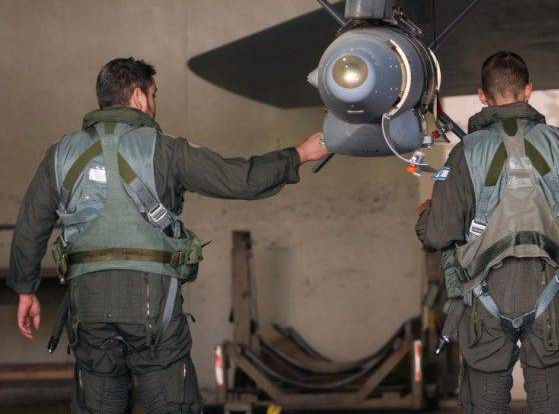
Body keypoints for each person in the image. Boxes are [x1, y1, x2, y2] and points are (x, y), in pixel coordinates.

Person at [8, 57, 328, 413]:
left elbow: (30, 224)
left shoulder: (60, 154)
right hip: (154, 310)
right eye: (153, 94)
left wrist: (25, 290)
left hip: (89, 309)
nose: (154, 105)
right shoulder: (166, 150)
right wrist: (299, 154)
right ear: (138, 97)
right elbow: (240, 180)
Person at [416, 51, 559, 413]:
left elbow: (438, 235)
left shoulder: (463, 154)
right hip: (550, 290)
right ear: (528, 91)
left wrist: (425, 216)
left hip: (484, 296)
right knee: (552, 402)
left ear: (481, 95)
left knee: (485, 402)